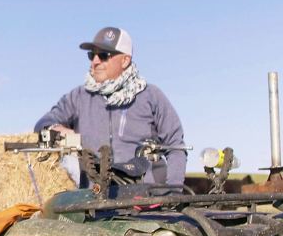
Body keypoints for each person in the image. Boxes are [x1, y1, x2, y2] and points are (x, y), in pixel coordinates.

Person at [34, 26, 186, 188]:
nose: (95, 61)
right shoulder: (78, 97)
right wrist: (55, 128)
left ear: (125, 60)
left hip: (146, 202)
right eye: (92, 55)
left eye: (104, 55)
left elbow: (175, 146)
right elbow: (42, 123)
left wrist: (173, 191)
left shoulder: (151, 96)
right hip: (95, 200)